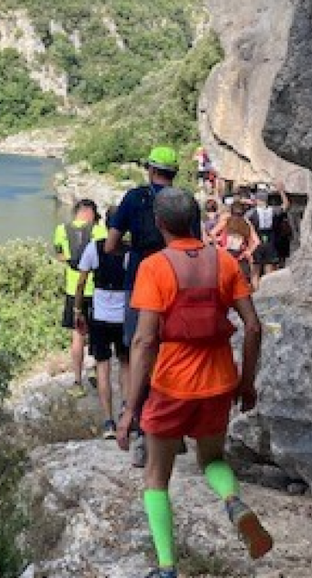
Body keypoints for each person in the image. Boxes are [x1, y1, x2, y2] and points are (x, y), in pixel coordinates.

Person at [116, 187, 273, 578]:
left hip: (172, 385)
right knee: (212, 459)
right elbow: (253, 327)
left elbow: (144, 341)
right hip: (219, 381)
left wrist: (130, 409)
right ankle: (233, 502)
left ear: (160, 224)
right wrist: (247, 382)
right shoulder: (225, 261)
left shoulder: (154, 267)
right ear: (194, 221)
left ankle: (167, 573)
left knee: (156, 476)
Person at [105, 146, 196, 465]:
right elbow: (195, 244)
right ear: (174, 173)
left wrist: (132, 251)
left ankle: (145, 435)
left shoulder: (134, 198)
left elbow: (110, 245)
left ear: (150, 169)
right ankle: (175, 430)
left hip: (141, 283)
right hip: (179, 283)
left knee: (140, 353)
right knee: (173, 354)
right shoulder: (186, 202)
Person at [74, 212, 130, 439]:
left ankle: (108, 422)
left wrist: (78, 310)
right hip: (124, 317)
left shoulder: (94, 248)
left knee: (103, 367)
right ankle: (126, 410)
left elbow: (81, 282)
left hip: (100, 317)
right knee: (126, 365)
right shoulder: (130, 252)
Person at [54, 199, 107, 397]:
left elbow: (59, 254)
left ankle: (77, 382)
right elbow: (105, 255)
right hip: (95, 289)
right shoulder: (98, 230)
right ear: (89, 213)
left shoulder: (61, 230)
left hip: (73, 290)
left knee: (77, 335)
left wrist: (70, 260)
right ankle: (94, 369)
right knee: (97, 332)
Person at [246, 181, 291, 289]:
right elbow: (286, 206)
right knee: (269, 270)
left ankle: (256, 292)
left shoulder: (251, 213)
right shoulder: (273, 210)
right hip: (270, 241)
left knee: (255, 271)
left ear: (257, 200)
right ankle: (267, 291)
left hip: (256, 241)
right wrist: (281, 191)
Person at [211, 200, 260, 284]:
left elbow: (212, 233)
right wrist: (249, 251)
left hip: (227, 254)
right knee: (243, 282)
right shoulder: (246, 223)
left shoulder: (227, 221)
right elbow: (257, 241)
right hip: (241, 255)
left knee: (227, 281)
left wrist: (218, 247)